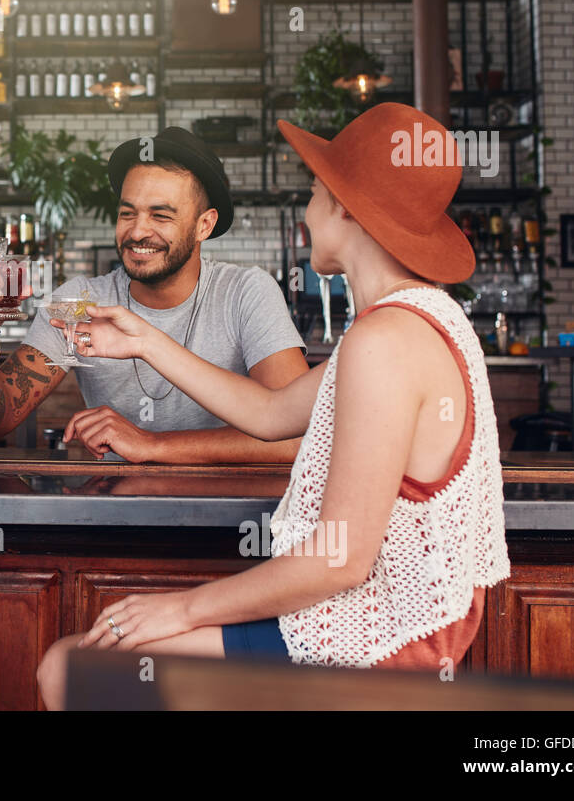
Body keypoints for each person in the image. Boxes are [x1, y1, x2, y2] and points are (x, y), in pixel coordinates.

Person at [37, 103, 511, 709]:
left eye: (314, 193)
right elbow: (270, 414)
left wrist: (178, 607)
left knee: (68, 671)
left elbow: (340, 561)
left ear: (343, 205)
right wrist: (142, 339)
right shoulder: (417, 320)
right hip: (394, 625)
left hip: (379, 640)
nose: (309, 213)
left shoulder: (383, 342)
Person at [0, 127, 308, 462]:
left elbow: (296, 437)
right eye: (127, 213)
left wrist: (153, 445)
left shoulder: (246, 292)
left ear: (204, 225)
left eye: (161, 215)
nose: (138, 231)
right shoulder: (81, 301)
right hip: (119, 514)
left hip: (229, 519)